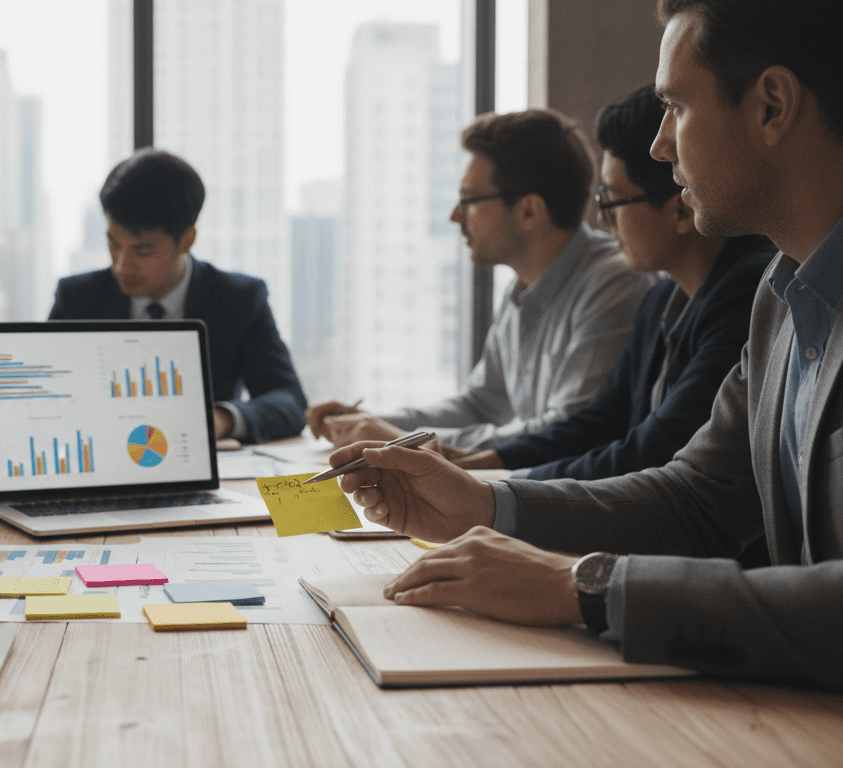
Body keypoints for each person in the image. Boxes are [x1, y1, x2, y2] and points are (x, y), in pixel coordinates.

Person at [333, 0, 843, 690]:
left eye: (677, 108)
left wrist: (587, 585)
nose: (662, 145)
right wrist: (487, 506)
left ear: (772, 106)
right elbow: (697, 497)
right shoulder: (780, 298)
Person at [453, 84, 776, 480]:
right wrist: (482, 466)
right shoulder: (661, 299)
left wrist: (496, 490)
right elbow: (596, 423)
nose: (603, 223)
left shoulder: (747, 295)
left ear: (679, 210)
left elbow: (652, 451)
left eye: (610, 203)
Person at [309, 110, 655, 453]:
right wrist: (369, 423)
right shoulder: (522, 288)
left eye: (468, 200)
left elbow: (564, 434)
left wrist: (399, 439)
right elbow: (480, 405)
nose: (455, 216)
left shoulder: (614, 286)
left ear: (528, 211)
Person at [48, 149, 307, 444]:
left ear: (187, 240)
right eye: (113, 243)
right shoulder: (78, 298)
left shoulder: (238, 299)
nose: (121, 265)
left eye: (142, 251)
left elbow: (289, 400)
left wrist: (221, 420)